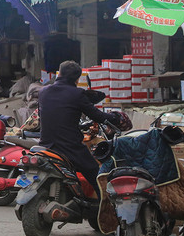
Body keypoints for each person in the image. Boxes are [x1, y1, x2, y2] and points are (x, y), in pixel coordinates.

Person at [38, 60, 122, 193]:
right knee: (97, 177)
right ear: (77, 79)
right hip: (69, 148)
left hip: (45, 145)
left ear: (59, 73)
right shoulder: (77, 94)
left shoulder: (43, 92)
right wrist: (116, 117)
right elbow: (98, 116)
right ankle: (106, 210)